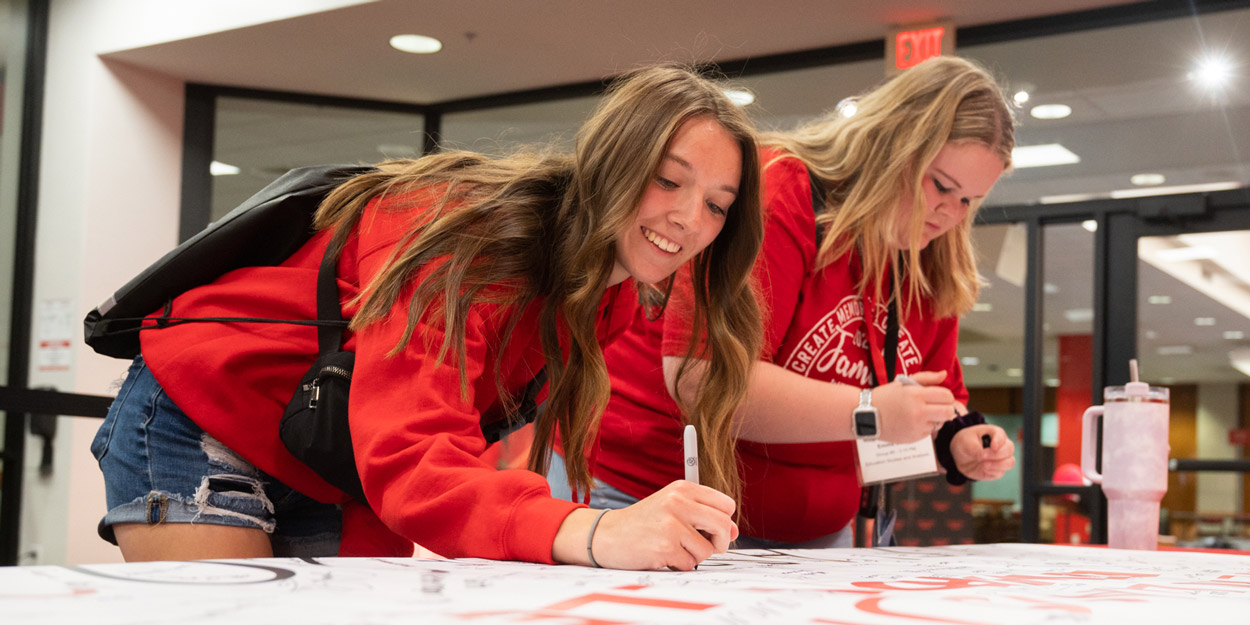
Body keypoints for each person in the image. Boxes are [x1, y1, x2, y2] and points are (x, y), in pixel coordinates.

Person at [90, 64, 765, 570]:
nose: (689, 218)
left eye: (717, 203)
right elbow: (413, 452)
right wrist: (594, 531)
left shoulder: (607, 297)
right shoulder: (466, 237)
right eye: (669, 180)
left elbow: (417, 450)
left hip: (329, 455)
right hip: (202, 416)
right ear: (614, 163)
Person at [555, 56, 1017, 548]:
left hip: (813, 533)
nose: (950, 212)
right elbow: (702, 376)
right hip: (646, 494)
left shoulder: (929, 257)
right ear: (893, 146)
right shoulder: (787, 191)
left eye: (969, 200)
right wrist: (871, 411)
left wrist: (957, 439)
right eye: (942, 186)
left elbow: (932, 398)